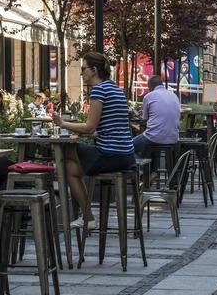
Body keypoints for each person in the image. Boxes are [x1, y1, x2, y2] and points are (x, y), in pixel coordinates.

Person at [51, 53, 136, 230]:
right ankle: (86, 216)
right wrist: (92, 133)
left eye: (83, 69)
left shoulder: (99, 90)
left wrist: (62, 123)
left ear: (94, 70)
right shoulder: (115, 88)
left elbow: (90, 127)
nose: (82, 73)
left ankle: (87, 217)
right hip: (126, 155)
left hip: (110, 155)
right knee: (70, 167)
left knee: (66, 155)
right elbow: (107, 126)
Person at [133, 75, 182, 158]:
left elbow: (145, 120)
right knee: (145, 147)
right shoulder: (174, 96)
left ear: (150, 86)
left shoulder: (148, 96)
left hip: (153, 137)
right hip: (173, 138)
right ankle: (149, 167)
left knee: (128, 147)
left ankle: (141, 170)